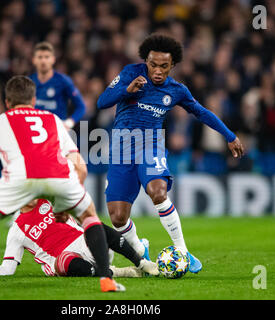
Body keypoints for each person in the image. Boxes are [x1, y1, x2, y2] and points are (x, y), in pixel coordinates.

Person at [0, 75, 124, 293]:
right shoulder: (51, 119)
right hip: (55, 177)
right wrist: (70, 200)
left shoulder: (0, 122)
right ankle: (106, 279)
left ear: (7, 103)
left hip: (18, 179)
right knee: (89, 218)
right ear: (33, 101)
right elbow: (80, 165)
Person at [97, 34, 244, 273]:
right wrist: (127, 89)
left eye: (163, 66)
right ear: (146, 60)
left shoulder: (177, 90)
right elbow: (102, 102)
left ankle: (183, 252)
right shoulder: (129, 73)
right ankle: (139, 249)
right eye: (153, 64)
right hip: (121, 148)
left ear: (172, 65)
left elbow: (202, 112)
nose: (157, 70)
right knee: (118, 218)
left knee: (157, 191)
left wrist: (230, 135)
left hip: (150, 145)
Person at [0, 199, 158, 278]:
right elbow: (8, 268)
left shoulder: (51, 200)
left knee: (97, 227)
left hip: (89, 244)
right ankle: (117, 272)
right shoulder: (16, 230)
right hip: (62, 259)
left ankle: (142, 263)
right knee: (64, 261)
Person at [30, 42, 86, 130]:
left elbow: (81, 106)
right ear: (34, 60)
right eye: (40, 57)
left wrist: (69, 122)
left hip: (57, 132)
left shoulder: (63, 81)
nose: (43, 61)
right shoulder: (29, 82)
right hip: (34, 131)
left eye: (47, 57)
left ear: (53, 59)